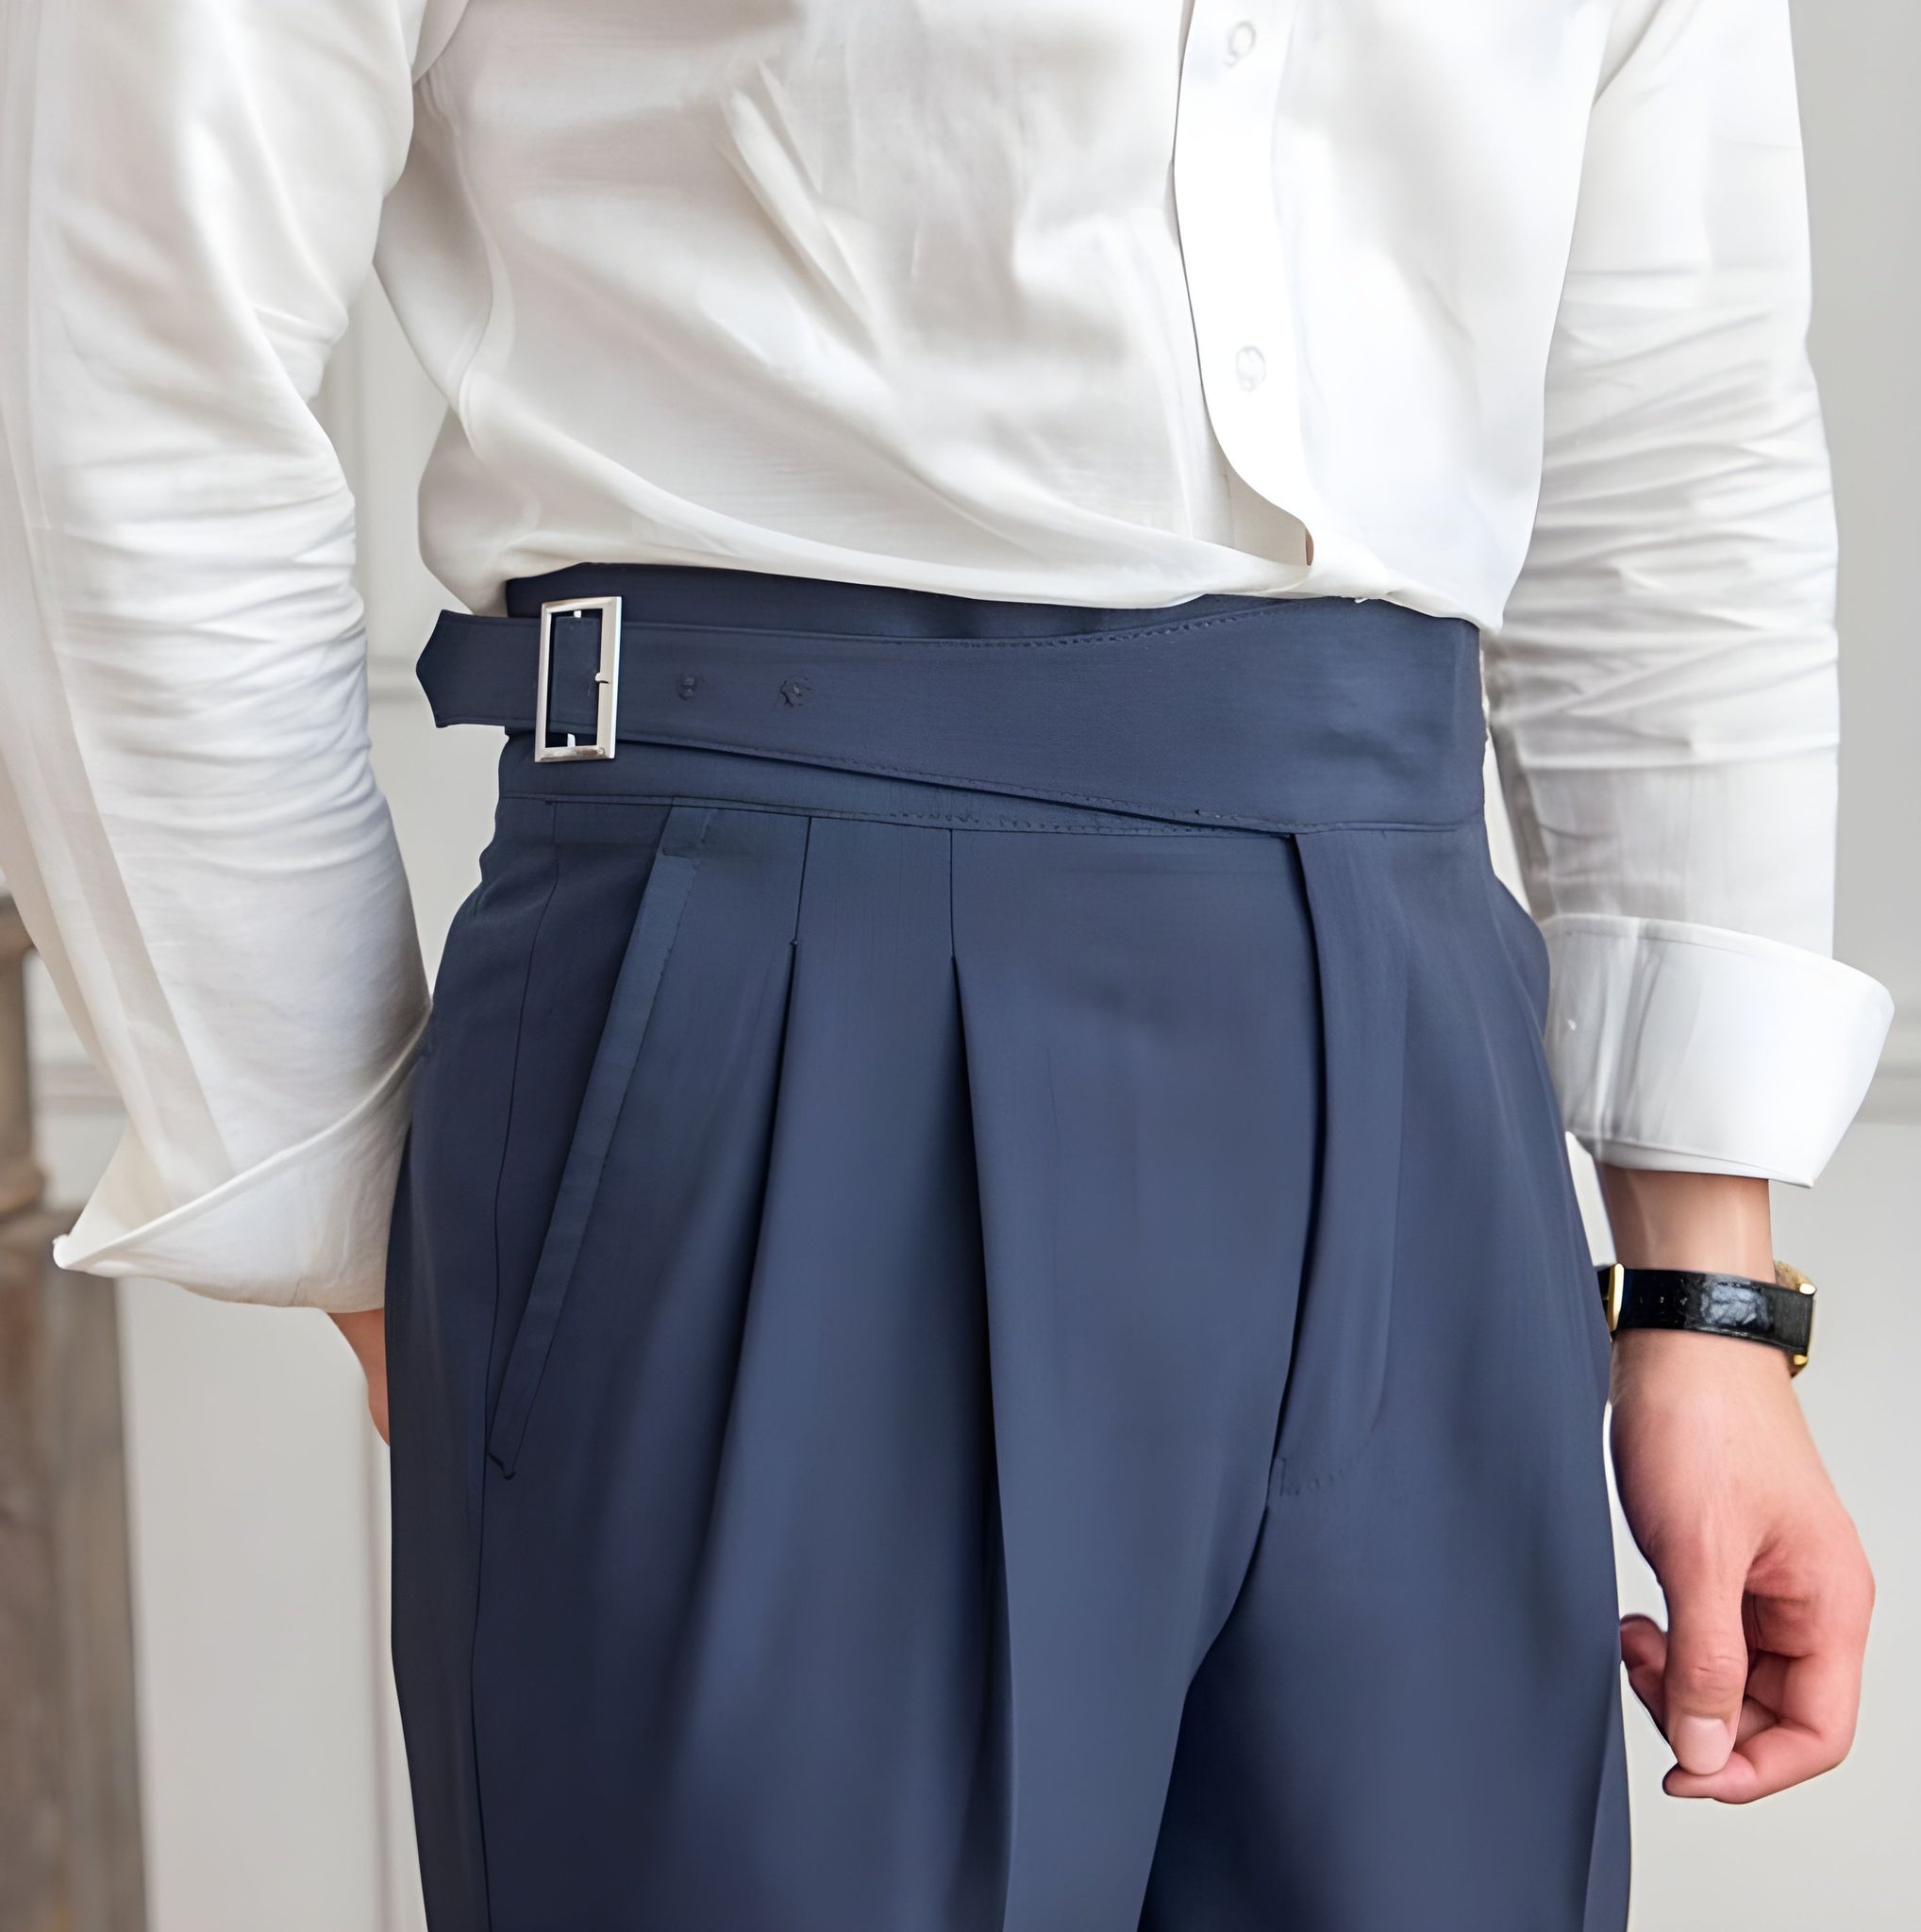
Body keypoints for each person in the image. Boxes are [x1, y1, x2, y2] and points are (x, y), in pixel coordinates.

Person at [0, 0, 1895, 1926]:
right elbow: (150, 371)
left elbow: (1676, 436)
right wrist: (354, 1222)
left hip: (1422, 1052)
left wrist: (1707, 1296)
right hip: (781, 1008)